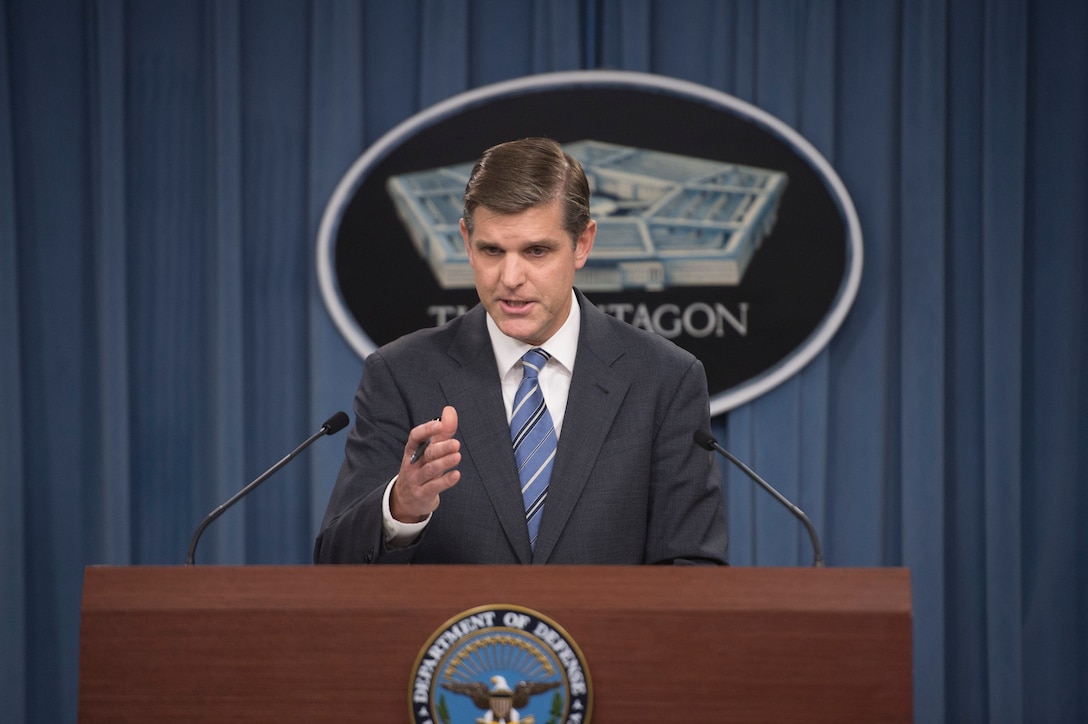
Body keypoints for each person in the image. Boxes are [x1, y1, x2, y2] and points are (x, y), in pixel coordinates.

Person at [314, 137, 727, 565]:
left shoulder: (664, 380)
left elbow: (692, 570)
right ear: (465, 240)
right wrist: (400, 508)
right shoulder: (402, 375)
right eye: (491, 250)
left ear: (582, 244)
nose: (510, 277)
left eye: (536, 251)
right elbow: (335, 564)